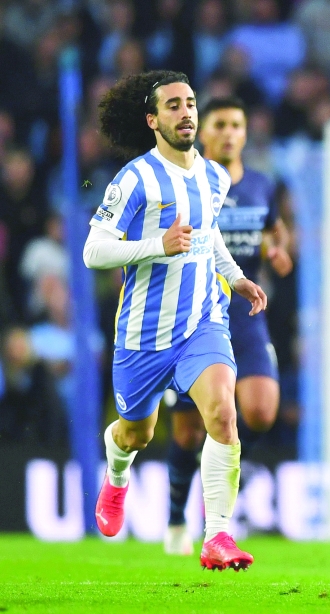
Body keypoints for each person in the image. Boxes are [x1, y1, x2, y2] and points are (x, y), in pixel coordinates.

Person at [83, 71, 267, 571]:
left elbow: (209, 233)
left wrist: (236, 276)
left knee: (223, 414)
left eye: (190, 103)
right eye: (173, 106)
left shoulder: (215, 176)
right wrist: (156, 246)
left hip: (203, 322)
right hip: (143, 334)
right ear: (152, 120)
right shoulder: (134, 179)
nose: (186, 113)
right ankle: (116, 474)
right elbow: (93, 251)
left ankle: (218, 536)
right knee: (136, 435)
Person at [162, 96, 293, 557]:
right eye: (220, 124)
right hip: (193, 314)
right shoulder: (185, 183)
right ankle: (175, 517)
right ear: (204, 130)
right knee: (186, 433)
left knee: (261, 411)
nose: (229, 133)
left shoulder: (261, 184)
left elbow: (275, 229)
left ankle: (215, 486)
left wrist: (277, 250)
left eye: (237, 124)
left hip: (244, 313)